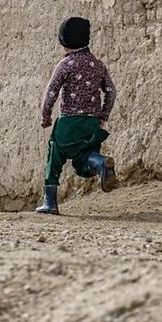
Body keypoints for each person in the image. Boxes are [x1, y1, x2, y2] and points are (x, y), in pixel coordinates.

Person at [35, 16, 118, 215]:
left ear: (63, 41)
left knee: (54, 156)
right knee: (83, 161)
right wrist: (103, 115)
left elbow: (51, 92)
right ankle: (99, 163)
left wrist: (45, 117)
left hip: (68, 123)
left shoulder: (66, 64)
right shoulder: (98, 64)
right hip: (91, 123)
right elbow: (111, 91)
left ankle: (50, 203)